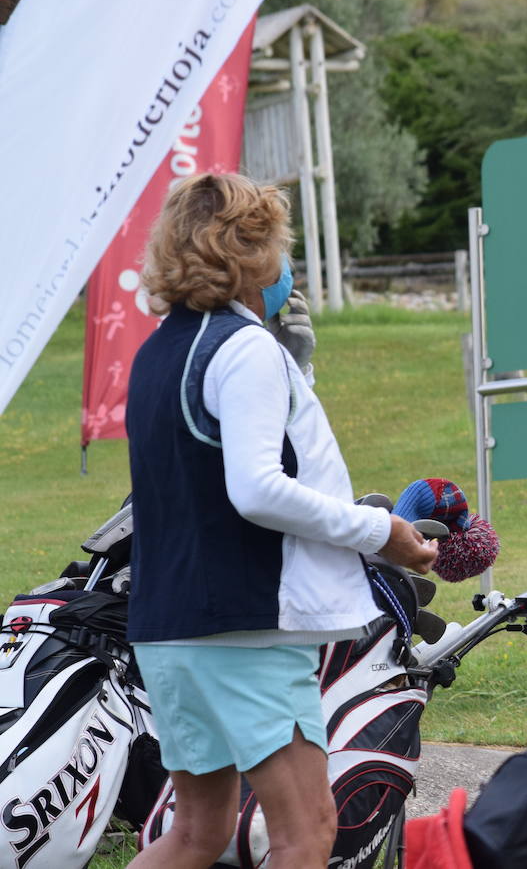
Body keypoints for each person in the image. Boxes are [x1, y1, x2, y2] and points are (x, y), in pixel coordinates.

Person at [126, 173, 436, 868]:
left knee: (196, 833)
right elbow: (258, 490)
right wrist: (379, 531)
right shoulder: (246, 349)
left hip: (167, 628)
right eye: (279, 247)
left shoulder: (156, 354)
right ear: (252, 253)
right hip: (246, 632)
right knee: (306, 831)